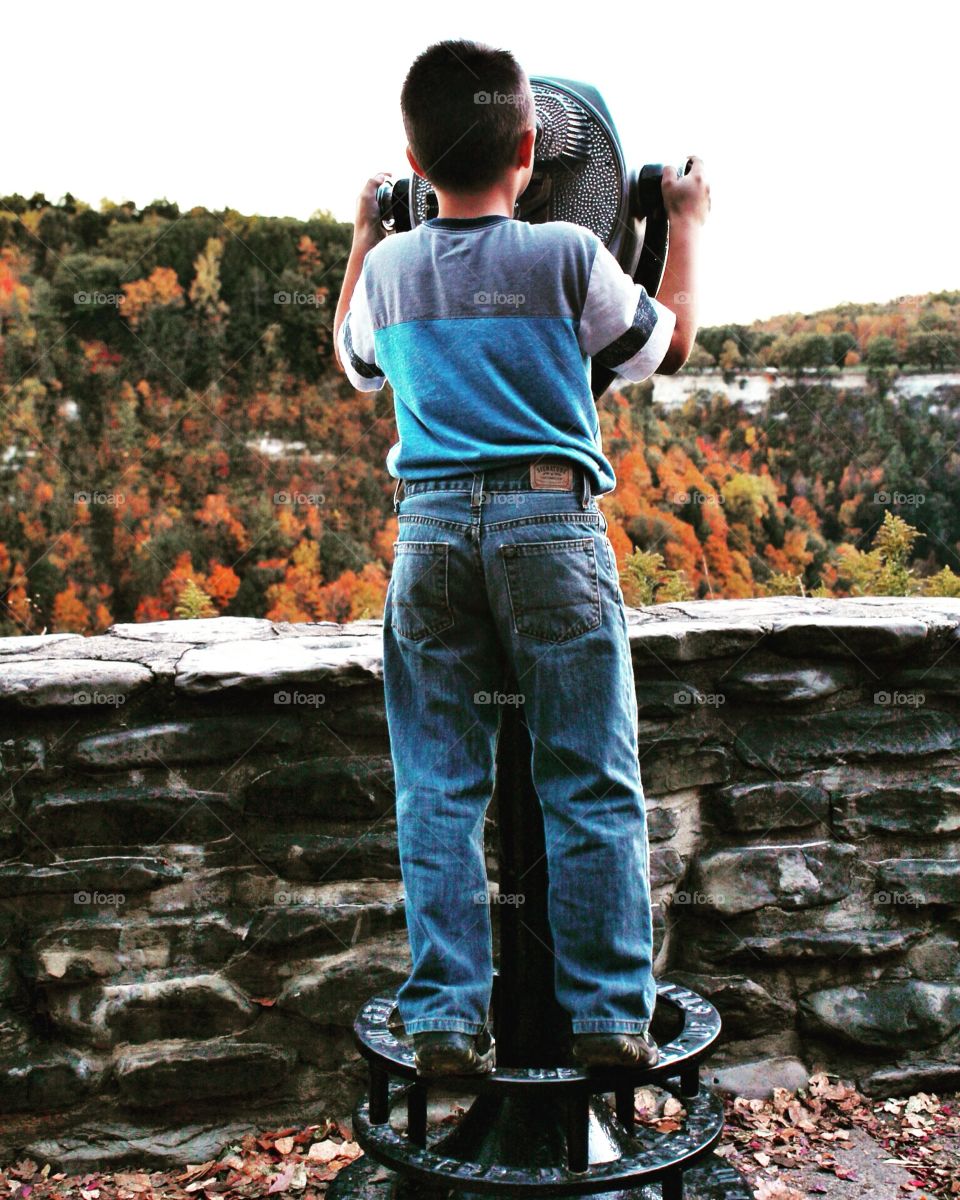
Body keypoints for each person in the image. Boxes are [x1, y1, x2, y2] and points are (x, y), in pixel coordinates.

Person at [333, 39, 710, 1078]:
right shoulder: (568, 257)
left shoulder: (396, 270)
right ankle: (606, 1018)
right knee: (589, 776)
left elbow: (354, 362)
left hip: (433, 530)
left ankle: (449, 1015)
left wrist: (367, 235)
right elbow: (666, 346)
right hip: (551, 523)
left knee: (438, 785)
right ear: (534, 146)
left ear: (412, 160)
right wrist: (679, 221)